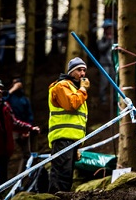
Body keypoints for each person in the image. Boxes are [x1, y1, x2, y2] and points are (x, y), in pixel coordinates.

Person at [0, 78, 40, 196]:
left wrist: (30, 128)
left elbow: (14, 122)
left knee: (1, 179)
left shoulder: (5, 105)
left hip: (3, 147)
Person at [47, 57, 90, 193]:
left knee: (67, 176)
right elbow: (71, 104)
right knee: (61, 176)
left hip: (70, 140)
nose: (82, 74)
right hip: (62, 138)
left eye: (84, 70)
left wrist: (76, 145)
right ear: (71, 71)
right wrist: (83, 89)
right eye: (79, 70)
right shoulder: (61, 86)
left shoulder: (73, 88)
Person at [4, 78, 35, 174]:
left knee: (26, 153)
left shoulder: (24, 99)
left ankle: (20, 177)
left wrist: (27, 129)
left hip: (22, 128)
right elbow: (1, 101)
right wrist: (12, 90)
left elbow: (29, 115)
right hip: (10, 128)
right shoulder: (9, 96)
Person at [97, 19, 115, 105]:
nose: (110, 31)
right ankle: (102, 99)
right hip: (104, 65)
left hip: (113, 64)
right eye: (108, 29)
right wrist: (108, 41)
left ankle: (115, 99)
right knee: (104, 82)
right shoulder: (102, 40)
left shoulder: (116, 40)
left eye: (111, 29)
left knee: (115, 82)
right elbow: (101, 48)